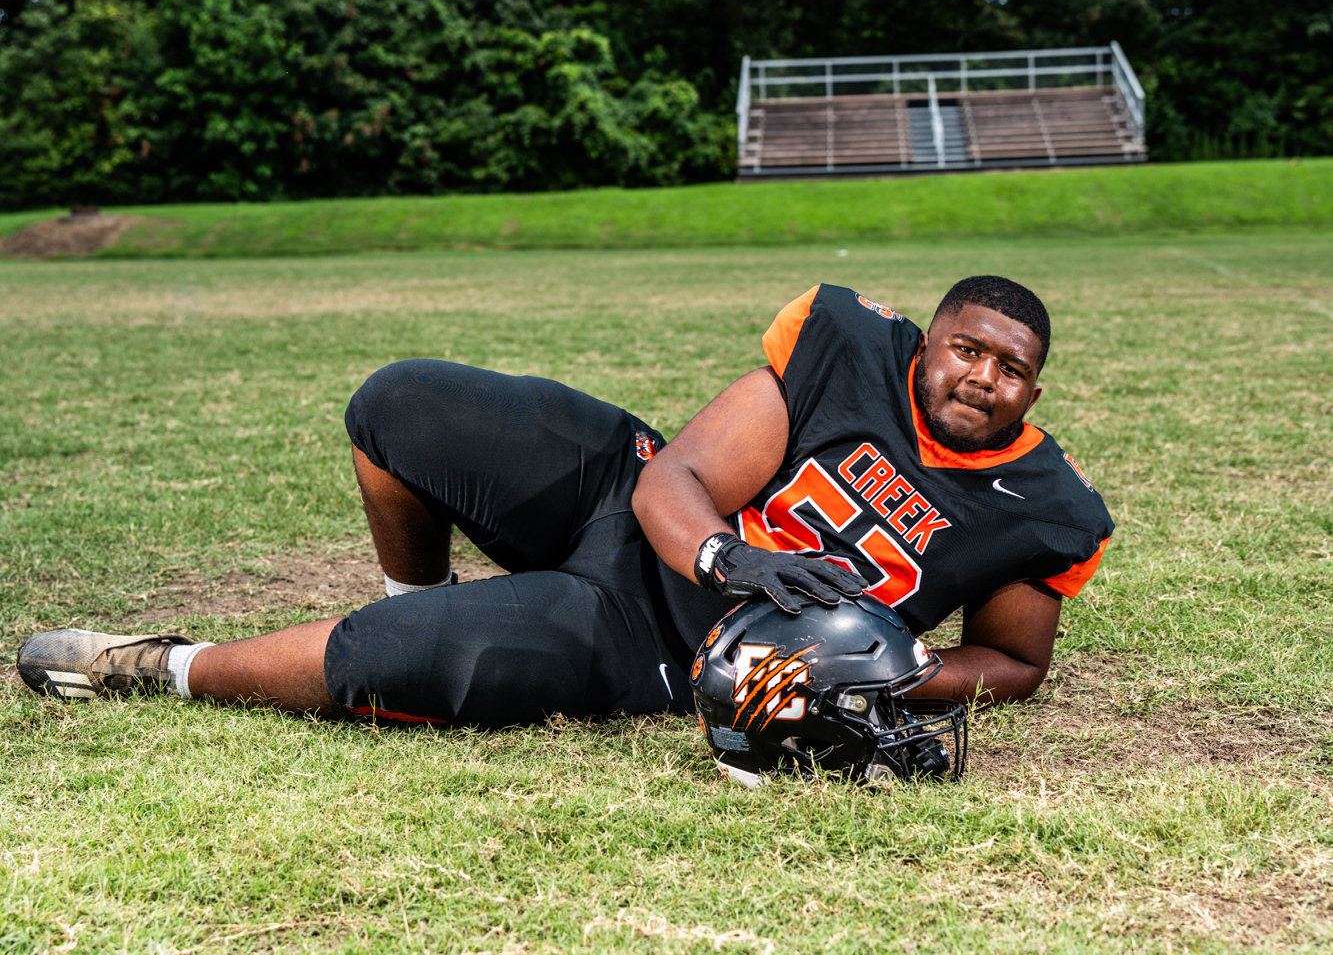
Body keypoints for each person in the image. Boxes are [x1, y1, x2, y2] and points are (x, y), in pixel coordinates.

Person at [17, 274, 1113, 730]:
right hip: (640, 508)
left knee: (388, 660)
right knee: (400, 404)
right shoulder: (846, 347)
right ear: (924, 343)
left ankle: (157, 664)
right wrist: (729, 556)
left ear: (1034, 390)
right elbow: (677, 478)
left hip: (668, 641)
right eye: (966, 349)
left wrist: (883, 676)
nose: (982, 377)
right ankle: (418, 591)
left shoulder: (1042, 505)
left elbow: (1013, 661)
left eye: (1011, 368)